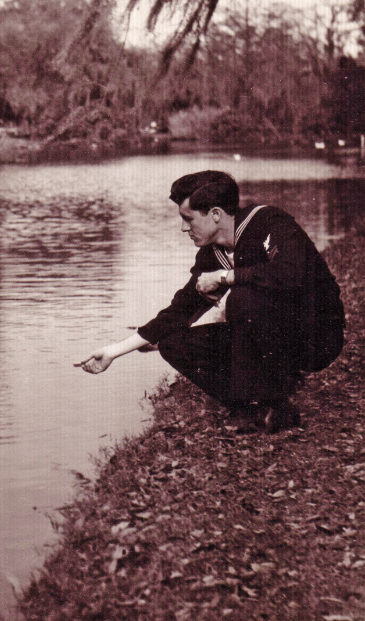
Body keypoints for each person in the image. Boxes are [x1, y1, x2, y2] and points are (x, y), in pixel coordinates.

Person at [78, 171, 345, 433]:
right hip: (273, 334)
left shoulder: (269, 221)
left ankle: (270, 392)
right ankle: (257, 408)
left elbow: (293, 273)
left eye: (188, 219)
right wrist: (114, 351)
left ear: (215, 214)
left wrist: (227, 277)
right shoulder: (213, 253)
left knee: (242, 298)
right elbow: (180, 311)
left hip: (317, 336)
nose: (184, 228)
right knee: (173, 344)